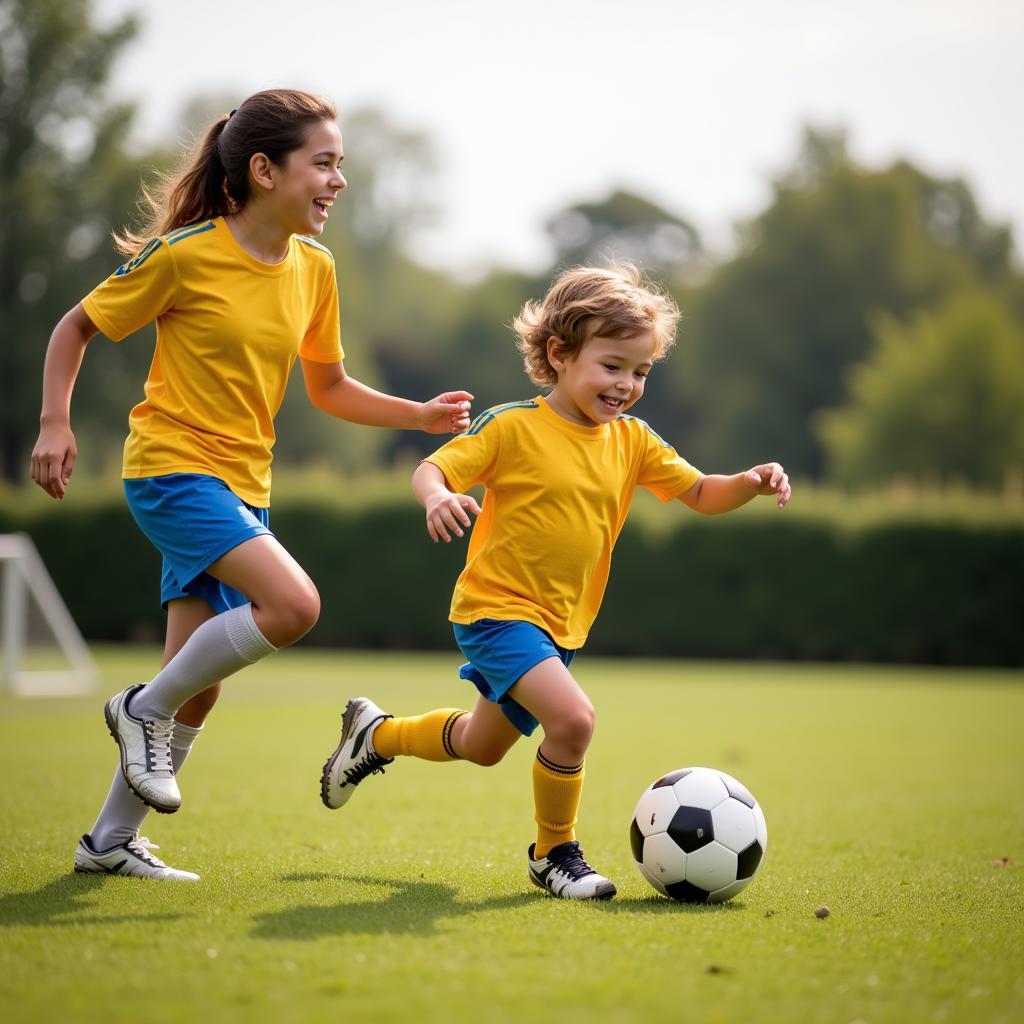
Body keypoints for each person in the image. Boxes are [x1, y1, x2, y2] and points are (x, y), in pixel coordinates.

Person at [29, 89, 473, 882]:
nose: (339, 181)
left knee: (199, 690)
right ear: (265, 170)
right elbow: (77, 326)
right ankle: (138, 710)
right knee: (294, 605)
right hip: (170, 471)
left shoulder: (315, 268)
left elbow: (329, 386)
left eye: (342, 165)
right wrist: (55, 423)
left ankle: (107, 844)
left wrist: (416, 413)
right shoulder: (186, 255)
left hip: (242, 487)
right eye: (325, 163)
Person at [319, 262, 791, 900]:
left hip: (561, 625)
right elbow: (435, 468)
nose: (626, 385)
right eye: (613, 365)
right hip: (496, 612)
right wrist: (436, 498)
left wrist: (750, 482)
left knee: (482, 744)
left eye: (641, 371)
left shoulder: (633, 441)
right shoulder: (513, 426)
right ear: (559, 353)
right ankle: (554, 854)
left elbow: (703, 492)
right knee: (573, 721)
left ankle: (376, 734)